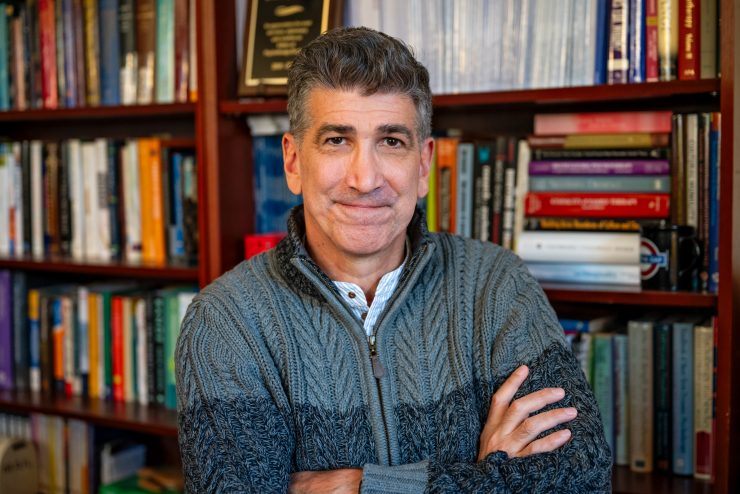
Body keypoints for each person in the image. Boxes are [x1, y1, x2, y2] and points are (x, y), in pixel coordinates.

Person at [176, 26, 612, 493]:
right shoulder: (225, 322)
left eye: (391, 142)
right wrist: (487, 477)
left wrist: (359, 485)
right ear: (293, 162)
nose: (365, 179)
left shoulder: (496, 285)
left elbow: (582, 478)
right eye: (337, 140)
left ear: (423, 165)